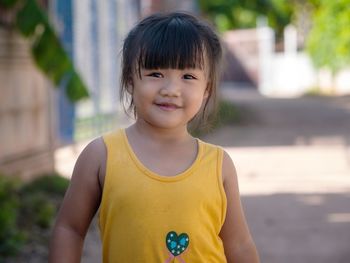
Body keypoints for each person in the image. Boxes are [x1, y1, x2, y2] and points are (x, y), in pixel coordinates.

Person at [49, 12, 260, 263]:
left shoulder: (218, 164)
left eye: (188, 76)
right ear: (130, 79)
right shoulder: (102, 155)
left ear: (207, 89)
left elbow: (239, 244)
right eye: (155, 74)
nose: (170, 90)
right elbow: (69, 229)